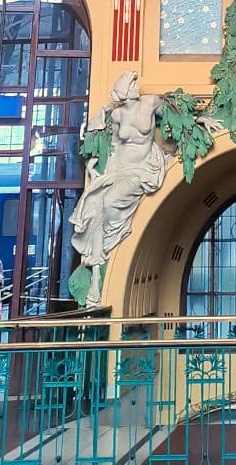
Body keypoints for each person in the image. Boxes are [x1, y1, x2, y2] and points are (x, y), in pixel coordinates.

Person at [67, 71, 167, 308]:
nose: (134, 87)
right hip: (120, 168)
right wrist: (94, 171)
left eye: (133, 83)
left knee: (108, 202)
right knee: (95, 204)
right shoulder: (118, 114)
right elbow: (110, 143)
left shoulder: (150, 101)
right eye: (129, 84)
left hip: (141, 170)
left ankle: (102, 256)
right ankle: (97, 267)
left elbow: (172, 118)